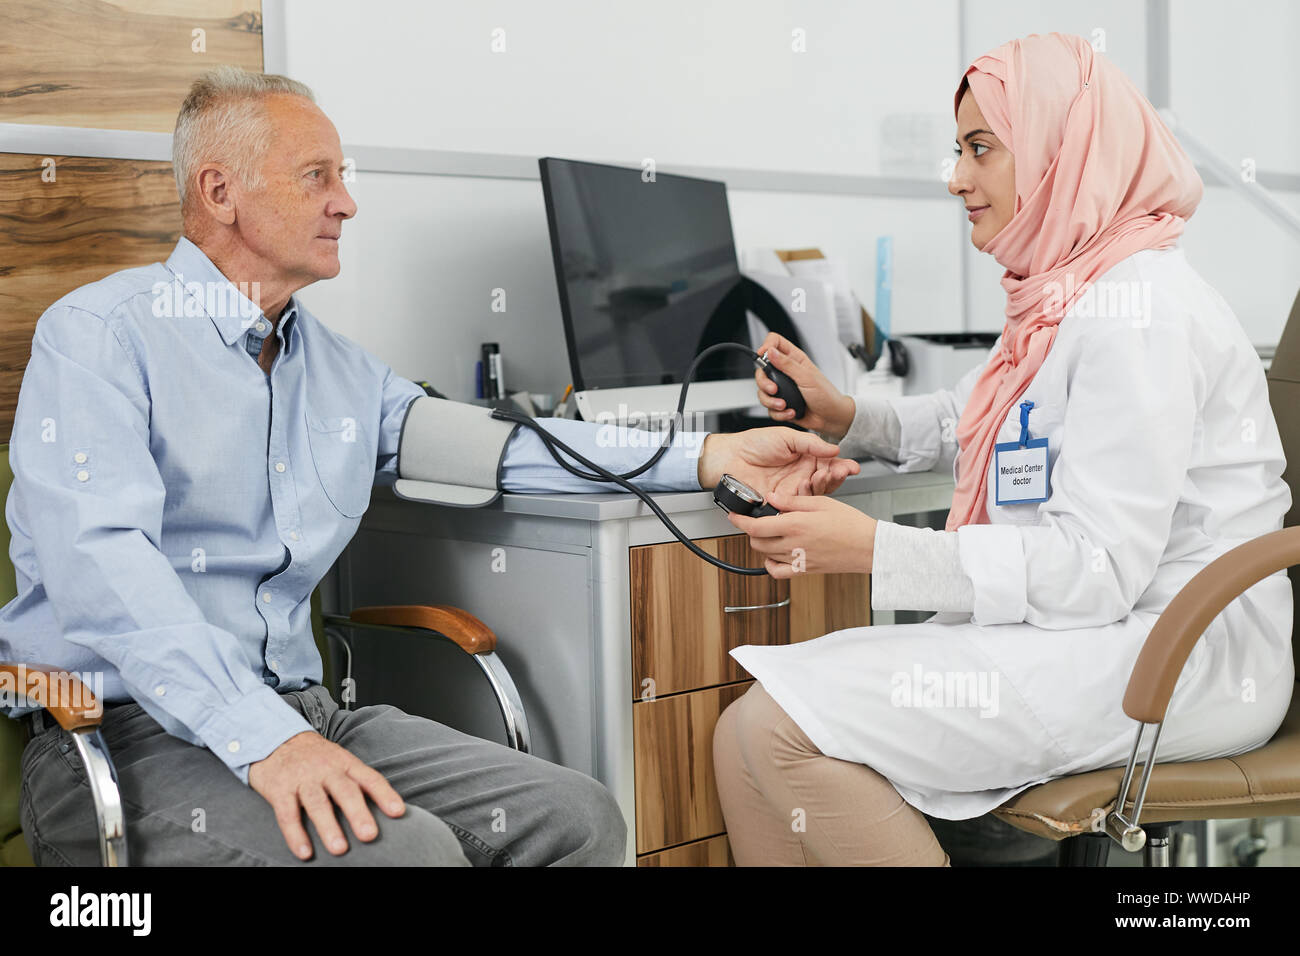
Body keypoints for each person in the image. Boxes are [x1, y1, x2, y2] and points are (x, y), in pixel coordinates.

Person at [0, 66, 860, 867]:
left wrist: (706, 454)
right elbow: (102, 570)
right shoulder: (102, 338)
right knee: (407, 855)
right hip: (124, 737)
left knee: (579, 816)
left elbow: (510, 447)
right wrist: (262, 737)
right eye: (317, 177)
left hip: (310, 712)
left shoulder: (338, 370)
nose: (347, 203)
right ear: (219, 191)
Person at [713, 32, 1294, 867]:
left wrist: (877, 551)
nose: (956, 177)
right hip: (1097, 628)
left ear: (1064, 150)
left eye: (982, 149)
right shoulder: (1068, 289)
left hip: (1175, 651)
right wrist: (847, 417)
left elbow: (1097, 565)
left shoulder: (1139, 311)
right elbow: (983, 419)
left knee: (781, 731)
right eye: (958, 150)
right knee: (746, 732)